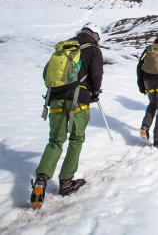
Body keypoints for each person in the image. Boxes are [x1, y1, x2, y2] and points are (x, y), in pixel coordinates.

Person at [31, 23, 104, 209]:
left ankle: (41, 180)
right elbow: (96, 75)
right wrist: (95, 93)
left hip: (55, 100)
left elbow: (46, 73)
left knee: (55, 140)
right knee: (76, 139)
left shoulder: (62, 47)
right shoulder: (93, 50)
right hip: (78, 100)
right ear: (95, 36)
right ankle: (66, 182)